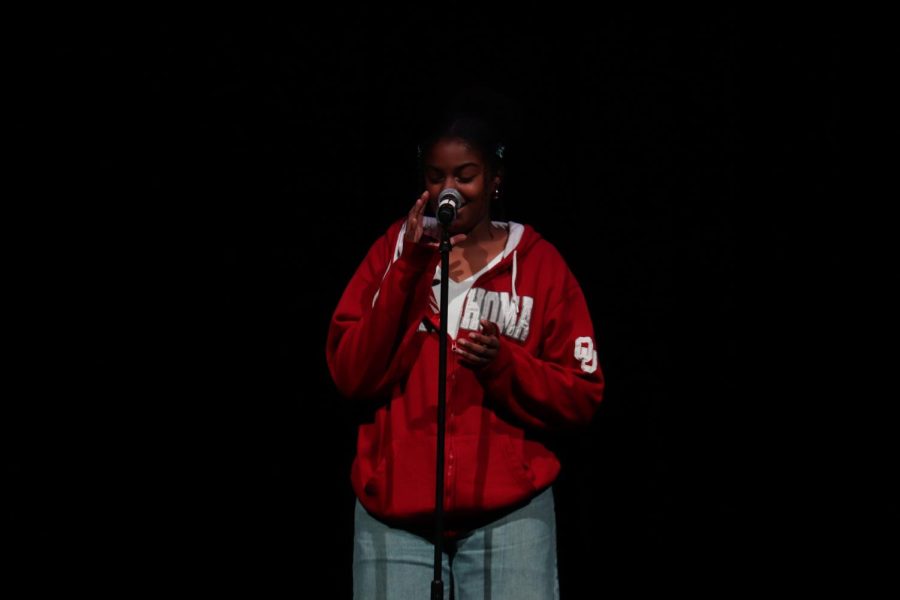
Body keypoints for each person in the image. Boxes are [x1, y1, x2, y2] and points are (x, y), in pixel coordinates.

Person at [326, 90, 605, 599]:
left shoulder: (540, 266)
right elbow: (351, 373)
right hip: (395, 518)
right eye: (436, 177)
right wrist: (409, 269)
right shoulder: (394, 254)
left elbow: (582, 394)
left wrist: (505, 366)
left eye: (465, 176)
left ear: (496, 181)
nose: (449, 189)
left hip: (510, 518)